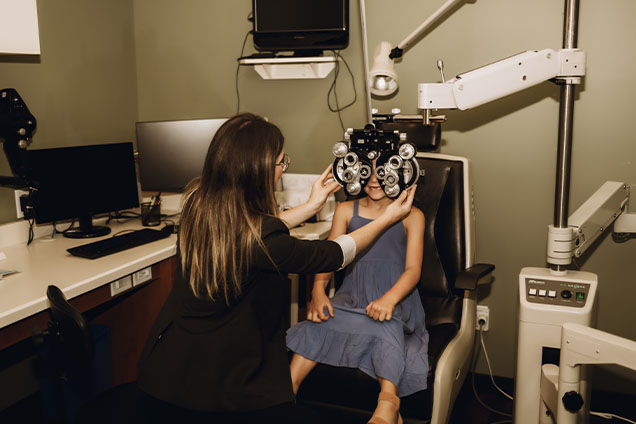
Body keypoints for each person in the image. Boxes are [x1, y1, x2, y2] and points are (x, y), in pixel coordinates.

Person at [136, 113, 416, 423]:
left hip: (165, 371)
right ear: (258, 171)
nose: (284, 169)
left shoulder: (198, 202)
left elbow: (248, 234)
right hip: (217, 390)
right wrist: (387, 218)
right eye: (282, 162)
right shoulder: (261, 239)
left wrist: (312, 205)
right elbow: (333, 254)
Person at [286, 159, 428, 424]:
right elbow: (329, 256)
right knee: (318, 322)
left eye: (382, 173)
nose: (374, 180)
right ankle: (286, 392)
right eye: (368, 172)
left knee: (386, 325)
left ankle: (387, 403)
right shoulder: (344, 210)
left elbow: (413, 271)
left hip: (395, 297)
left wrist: (389, 300)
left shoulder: (413, 216)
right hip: (352, 295)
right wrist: (318, 290)